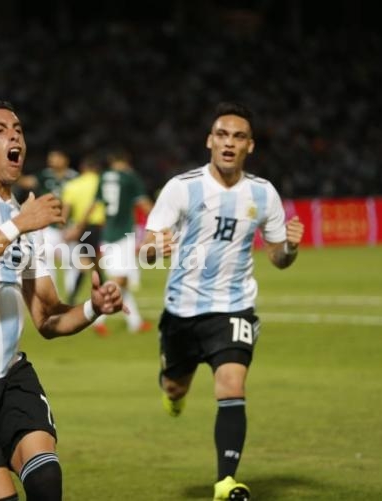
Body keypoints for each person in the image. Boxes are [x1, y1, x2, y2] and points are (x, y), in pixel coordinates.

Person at [0, 100, 126, 501]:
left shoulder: (26, 220)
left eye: (18, 128)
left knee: (47, 482)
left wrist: (93, 308)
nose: (14, 135)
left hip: (11, 375)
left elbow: (47, 319)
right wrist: (17, 226)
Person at [141, 102, 305, 500]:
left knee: (231, 385)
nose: (229, 143)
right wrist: (154, 249)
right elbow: (145, 248)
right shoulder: (183, 187)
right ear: (209, 141)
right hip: (182, 309)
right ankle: (172, 391)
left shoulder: (263, 194)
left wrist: (291, 249)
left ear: (250, 146)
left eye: (238, 137)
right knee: (176, 387)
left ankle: (225, 481)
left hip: (233, 306)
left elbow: (279, 259)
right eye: (222, 135)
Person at [90, 148, 154, 335]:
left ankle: (135, 322)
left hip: (108, 232)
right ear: (126, 159)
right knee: (119, 280)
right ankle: (97, 317)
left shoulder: (103, 177)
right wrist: (162, 220)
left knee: (122, 281)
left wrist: (79, 227)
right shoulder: (130, 177)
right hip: (124, 233)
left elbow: (94, 204)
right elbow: (143, 203)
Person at [18, 149, 79, 295]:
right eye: (51, 157)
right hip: (48, 227)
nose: (52, 160)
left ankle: (72, 296)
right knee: (48, 263)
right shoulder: (44, 176)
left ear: (65, 159)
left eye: (56, 157)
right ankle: (54, 297)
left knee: (73, 263)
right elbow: (25, 182)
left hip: (69, 226)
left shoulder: (74, 177)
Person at [60, 154, 106, 305]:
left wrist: (64, 228)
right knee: (93, 263)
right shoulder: (102, 182)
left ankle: (73, 298)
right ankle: (104, 294)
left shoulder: (72, 185)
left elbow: (65, 211)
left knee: (88, 263)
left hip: (84, 229)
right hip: (102, 227)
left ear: (82, 168)